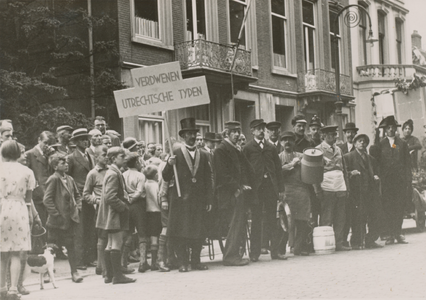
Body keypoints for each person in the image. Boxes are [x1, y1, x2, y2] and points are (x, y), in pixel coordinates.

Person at [162, 118, 213, 272]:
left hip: (198, 200)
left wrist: (209, 198)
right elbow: (165, 176)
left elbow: (207, 178)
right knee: (182, 232)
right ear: (183, 136)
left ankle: (196, 261)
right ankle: (183, 262)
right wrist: (169, 165)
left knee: (198, 231)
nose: (192, 136)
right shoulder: (175, 153)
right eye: (189, 134)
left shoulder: (203, 155)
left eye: (194, 133)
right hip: (180, 199)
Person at [243, 119, 284, 261]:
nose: (261, 131)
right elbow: (245, 170)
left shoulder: (271, 148)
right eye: (258, 129)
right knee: (256, 219)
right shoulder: (248, 148)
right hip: (256, 189)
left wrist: (281, 189)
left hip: (270, 187)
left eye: (262, 128)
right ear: (252, 131)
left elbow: (278, 169)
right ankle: (254, 253)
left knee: (273, 219)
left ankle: (276, 252)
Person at [0, 140, 36, 300]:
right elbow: (28, 197)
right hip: (19, 209)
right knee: (16, 252)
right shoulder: (27, 171)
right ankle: (13, 289)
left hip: (2, 208)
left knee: (2, 252)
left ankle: (2, 288)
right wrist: (29, 213)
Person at [214, 121, 253, 266]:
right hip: (229, 194)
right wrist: (237, 188)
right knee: (234, 225)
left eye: (238, 131)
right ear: (226, 133)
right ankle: (230, 256)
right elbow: (223, 175)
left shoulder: (235, 149)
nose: (237, 134)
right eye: (234, 131)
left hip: (238, 192)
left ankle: (235, 254)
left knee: (238, 224)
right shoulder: (221, 150)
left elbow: (243, 170)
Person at [96, 147, 136, 284]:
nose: (125, 159)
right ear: (113, 158)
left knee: (110, 243)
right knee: (116, 243)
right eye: (121, 156)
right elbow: (110, 197)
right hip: (115, 214)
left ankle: (109, 275)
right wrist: (123, 207)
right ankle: (117, 276)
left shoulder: (111, 171)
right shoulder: (113, 174)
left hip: (109, 215)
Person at [43, 153, 83, 284]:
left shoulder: (70, 179)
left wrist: (78, 206)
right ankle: (47, 273)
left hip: (69, 220)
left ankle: (74, 272)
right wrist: (56, 214)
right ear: (55, 166)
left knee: (71, 246)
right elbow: (47, 199)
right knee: (51, 248)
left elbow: (77, 195)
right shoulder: (53, 179)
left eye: (66, 162)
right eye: (62, 163)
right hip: (56, 222)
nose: (66, 164)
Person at [343, 134, 383, 249]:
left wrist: (375, 176)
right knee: (358, 217)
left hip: (370, 192)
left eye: (364, 141)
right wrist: (351, 174)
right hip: (356, 193)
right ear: (355, 144)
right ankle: (356, 242)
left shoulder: (370, 159)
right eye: (359, 141)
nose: (362, 143)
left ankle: (370, 240)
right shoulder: (348, 157)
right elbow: (343, 173)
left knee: (374, 216)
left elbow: (375, 171)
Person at [314, 125, 351, 251]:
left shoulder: (339, 150)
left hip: (340, 185)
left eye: (334, 134)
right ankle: (326, 244)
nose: (333, 137)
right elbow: (314, 172)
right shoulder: (318, 150)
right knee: (327, 216)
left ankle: (339, 243)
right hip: (326, 185)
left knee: (340, 216)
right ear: (323, 136)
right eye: (330, 135)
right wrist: (317, 189)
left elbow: (344, 169)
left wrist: (347, 187)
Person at [376, 116, 411, 245]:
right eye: (388, 128)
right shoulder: (380, 144)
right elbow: (377, 162)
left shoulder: (401, 143)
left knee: (399, 207)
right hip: (386, 182)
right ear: (385, 130)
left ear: (396, 129)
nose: (390, 130)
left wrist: (408, 180)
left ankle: (398, 233)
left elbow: (407, 163)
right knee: (388, 207)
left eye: (392, 127)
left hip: (399, 181)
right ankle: (390, 234)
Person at [67, 128, 96, 270]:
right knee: (80, 230)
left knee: (90, 228)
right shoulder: (71, 157)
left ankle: (89, 258)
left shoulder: (89, 156)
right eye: (82, 139)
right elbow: (68, 178)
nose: (86, 141)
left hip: (89, 196)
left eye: (86, 139)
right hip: (79, 197)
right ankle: (79, 261)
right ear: (76, 142)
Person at [279, 131, 312, 256]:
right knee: (286, 222)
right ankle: (281, 248)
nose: (287, 142)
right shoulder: (278, 157)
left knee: (303, 220)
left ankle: (298, 247)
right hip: (286, 191)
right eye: (284, 139)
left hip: (302, 190)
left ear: (294, 142)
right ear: (281, 142)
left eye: (290, 140)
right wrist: (292, 164)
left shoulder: (302, 156)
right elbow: (278, 172)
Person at [83, 145, 109, 276]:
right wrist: (96, 201)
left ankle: (113, 265)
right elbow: (86, 194)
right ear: (96, 157)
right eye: (104, 155)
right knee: (102, 237)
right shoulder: (92, 174)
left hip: (113, 208)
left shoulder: (112, 171)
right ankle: (101, 266)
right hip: (101, 210)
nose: (107, 157)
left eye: (107, 155)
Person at [122, 152, 149, 273]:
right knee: (142, 232)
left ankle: (123, 262)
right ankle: (143, 262)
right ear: (137, 162)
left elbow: (122, 190)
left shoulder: (122, 174)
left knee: (128, 233)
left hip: (127, 205)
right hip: (138, 204)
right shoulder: (140, 175)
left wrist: (128, 199)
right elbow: (139, 191)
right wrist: (133, 199)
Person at [26, 131, 56, 229]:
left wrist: (52, 157)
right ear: (39, 140)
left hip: (50, 196)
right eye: (45, 143)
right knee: (39, 226)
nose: (47, 146)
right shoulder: (29, 154)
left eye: (50, 144)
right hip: (37, 197)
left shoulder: (50, 155)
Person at [338, 122, 359, 247]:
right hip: (344, 185)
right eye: (348, 132)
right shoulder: (340, 148)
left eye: (352, 132)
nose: (350, 135)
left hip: (356, 187)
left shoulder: (360, 146)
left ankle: (356, 239)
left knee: (355, 213)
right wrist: (350, 173)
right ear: (345, 134)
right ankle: (343, 239)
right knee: (344, 214)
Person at [144, 165, 162, 271]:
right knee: (157, 238)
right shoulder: (156, 185)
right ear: (155, 175)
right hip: (156, 212)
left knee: (151, 237)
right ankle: (155, 261)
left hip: (147, 213)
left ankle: (149, 261)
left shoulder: (144, 184)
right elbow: (158, 199)